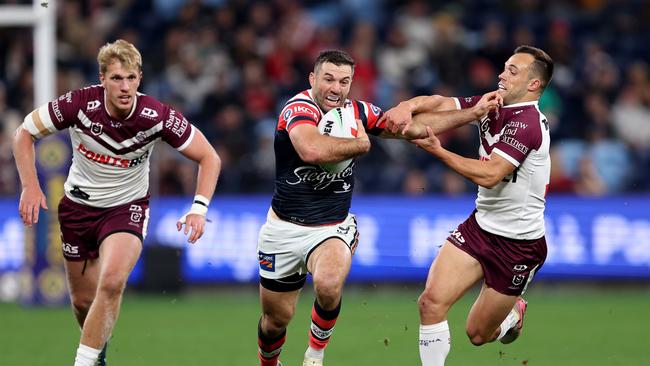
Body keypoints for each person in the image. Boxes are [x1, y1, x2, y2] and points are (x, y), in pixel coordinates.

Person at [256, 49, 500, 366]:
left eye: (344, 81)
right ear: (313, 79)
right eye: (328, 79)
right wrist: (361, 143)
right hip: (283, 230)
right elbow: (310, 149)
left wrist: (473, 113)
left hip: (331, 227)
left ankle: (315, 353)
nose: (335, 88)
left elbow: (412, 127)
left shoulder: (356, 111)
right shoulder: (298, 109)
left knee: (329, 283)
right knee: (276, 320)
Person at [12, 39, 221, 366]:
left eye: (131, 78)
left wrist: (198, 208)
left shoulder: (157, 116)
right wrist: (30, 186)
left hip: (127, 209)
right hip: (77, 209)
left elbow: (209, 157)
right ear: (102, 78)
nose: (125, 87)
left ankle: (82, 361)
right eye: (116, 79)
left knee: (111, 282)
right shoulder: (79, 104)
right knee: (84, 303)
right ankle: (98, 356)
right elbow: (23, 133)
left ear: (140, 78)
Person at [382, 45, 554, 365]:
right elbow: (441, 105)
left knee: (477, 334)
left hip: (519, 245)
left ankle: (512, 314)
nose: (502, 74)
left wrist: (439, 151)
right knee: (430, 303)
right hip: (480, 227)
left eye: (513, 71)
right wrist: (406, 108)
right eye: (505, 67)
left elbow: (490, 175)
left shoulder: (528, 123)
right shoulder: (493, 103)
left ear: (533, 84)